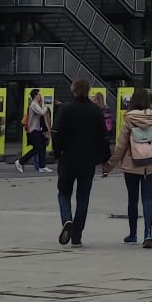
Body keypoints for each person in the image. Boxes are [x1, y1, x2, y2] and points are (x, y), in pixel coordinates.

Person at [54, 79, 108, 246]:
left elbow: (56, 133)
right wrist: (104, 158)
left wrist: (57, 153)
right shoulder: (96, 111)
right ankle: (77, 234)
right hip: (88, 160)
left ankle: (66, 219)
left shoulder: (65, 109)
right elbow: (103, 136)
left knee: (63, 192)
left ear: (73, 90)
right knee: (83, 197)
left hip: (68, 158)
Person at [113, 88, 152, 247]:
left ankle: (133, 234)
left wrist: (110, 164)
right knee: (147, 198)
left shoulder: (128, 118)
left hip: (131, 163)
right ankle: (148, 233)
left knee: (132, 199)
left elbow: (121, 144)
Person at [19, 88, 51, 175]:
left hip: (36, 130)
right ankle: (21, 162)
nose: (40, 96)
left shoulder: (35, 104)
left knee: (42, 146)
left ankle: (42, 166)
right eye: (39, 94)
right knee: (37, 148)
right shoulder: (33, 104)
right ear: (35, 95)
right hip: (33, 130)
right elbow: (41, 112)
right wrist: (46, 107)